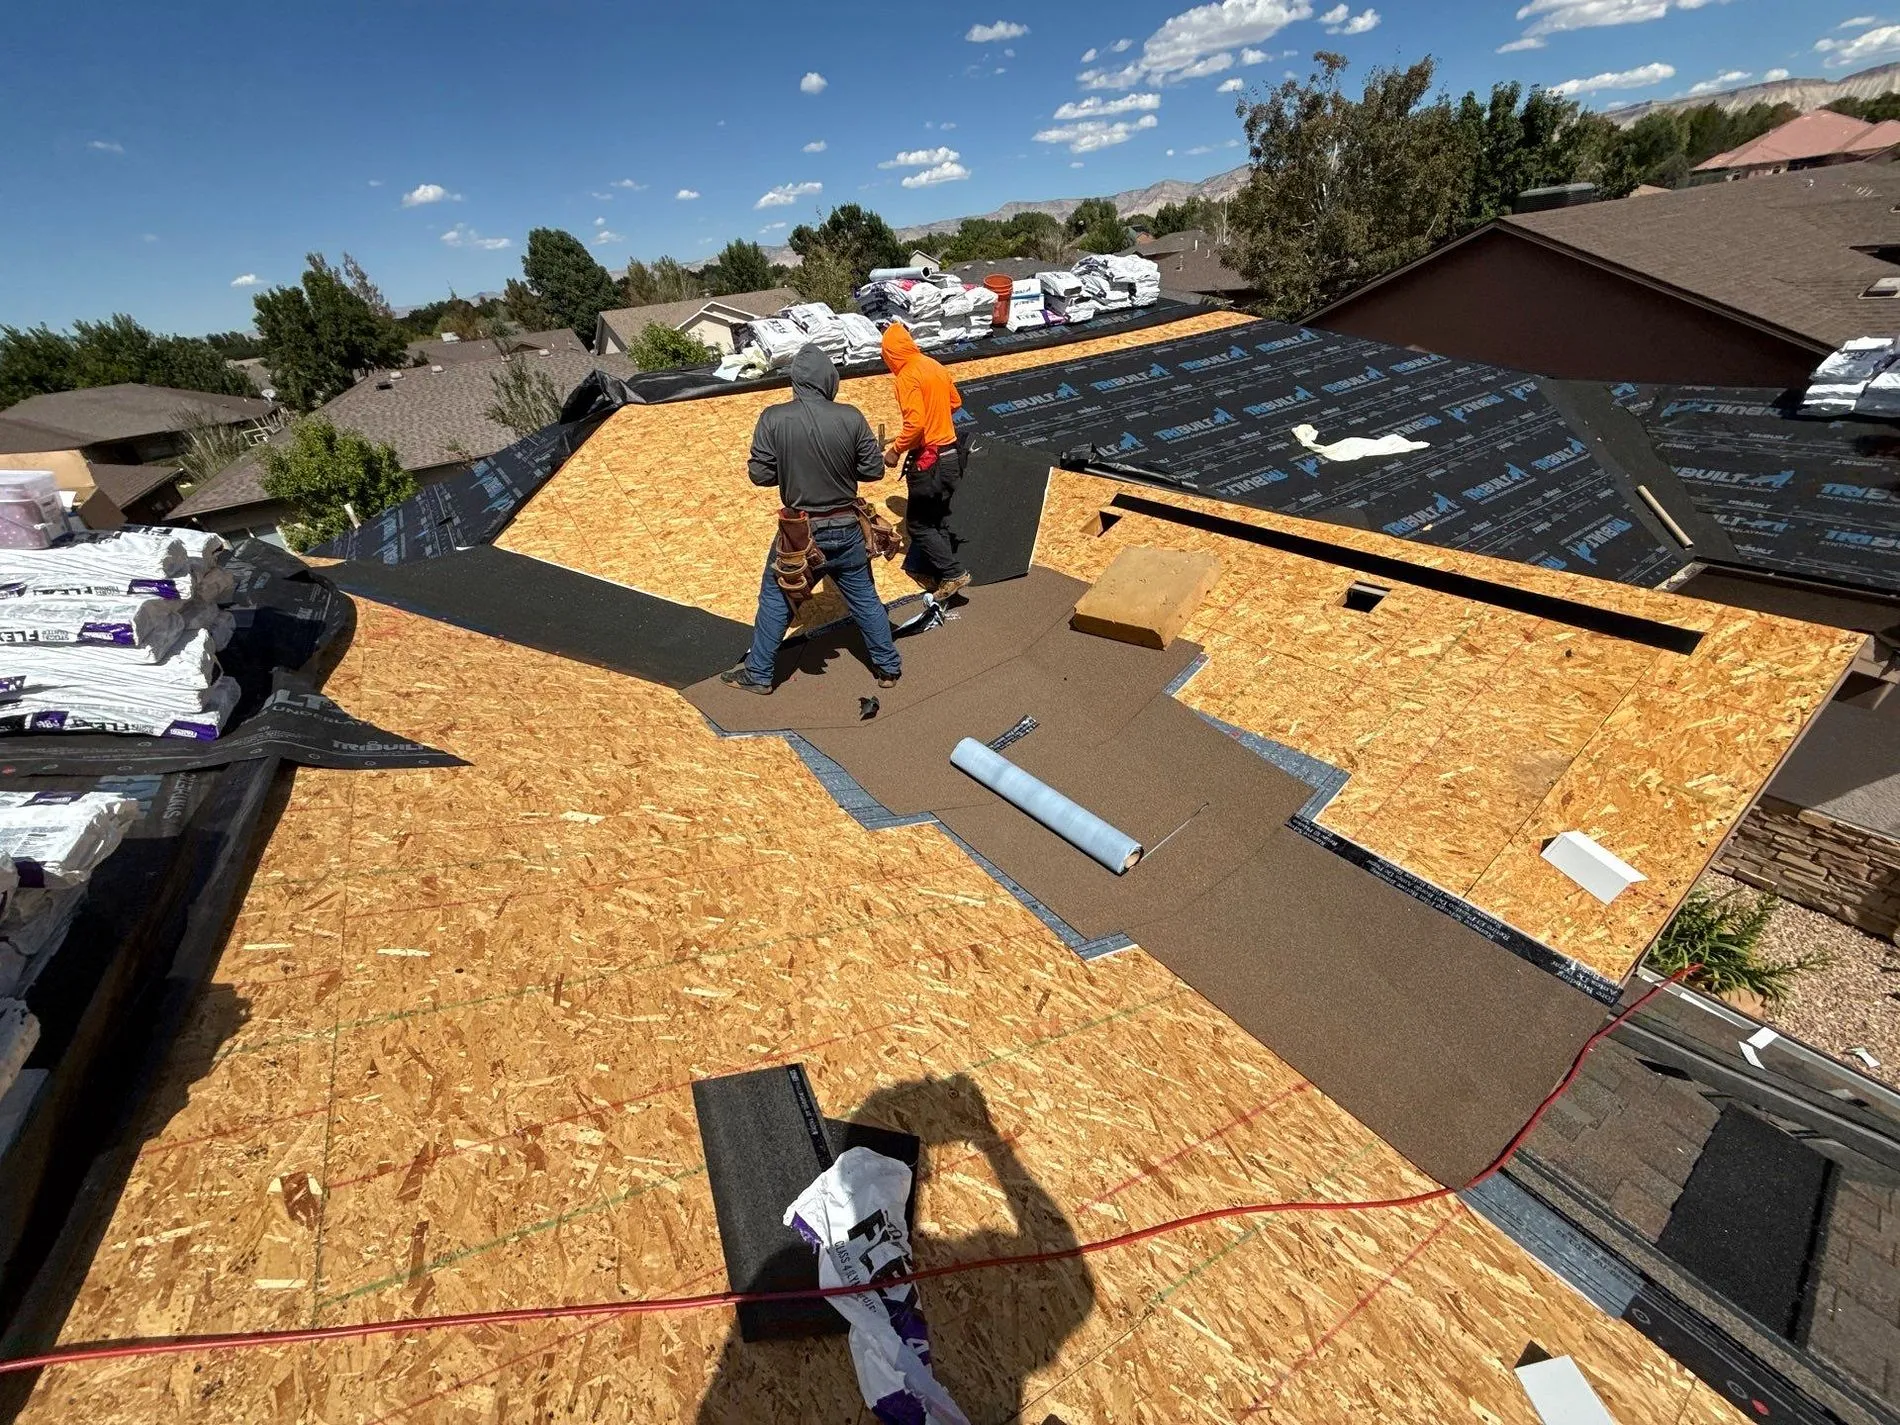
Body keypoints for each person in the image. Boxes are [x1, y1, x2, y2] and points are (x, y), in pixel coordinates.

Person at [720, 344, 902, 695]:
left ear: (797, 381)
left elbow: (760, 475)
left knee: (776, 599)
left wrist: (790, 465)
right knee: (864, 598)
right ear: (828, 380)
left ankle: (759, 675)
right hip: (848, 529)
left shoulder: (773, 417)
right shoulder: (850, 416)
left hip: (800, 534)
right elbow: (874, 471)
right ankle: (888, 668)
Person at [881, 323, 971, 602]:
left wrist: (895, 450)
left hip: (929, 460)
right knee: (939, 519)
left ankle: (953, 572)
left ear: (891, 354)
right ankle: (944, 576)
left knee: (919, 525)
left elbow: (916, 424)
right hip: (951, 455)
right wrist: (937, 414)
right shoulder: (933, 365)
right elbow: (955, 402)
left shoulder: (906, 376)